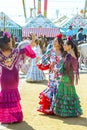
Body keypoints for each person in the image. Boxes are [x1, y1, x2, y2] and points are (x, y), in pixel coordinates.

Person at [0, 31, 36, 124]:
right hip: (14, 77)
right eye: (11, 41)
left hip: (4, 77)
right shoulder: (15, 52)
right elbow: (29, 48)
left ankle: (6, 117)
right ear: (8, 42)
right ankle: (15, 117)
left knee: (5, 95)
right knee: (13, 95)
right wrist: (33, 39)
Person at [54, 36, 82, 117]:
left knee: (67, 93)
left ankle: (68, 112)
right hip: (65, 76)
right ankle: (68, 111)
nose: (64, 46)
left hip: (68, 77)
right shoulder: (68, 54)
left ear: (70, 46)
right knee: (66, 92)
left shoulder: (71, 55)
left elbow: (75, 67)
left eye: (65, 45)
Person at [37, 34, 64, 114]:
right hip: (52, 74)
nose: (55, 43)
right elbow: (44, 59)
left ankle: (59, 108)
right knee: (52, 88)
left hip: (61, 74)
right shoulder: (51, 51)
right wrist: (48, 64)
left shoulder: (64, 52)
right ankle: (51, 108)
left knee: (59, 88)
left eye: (56, 41)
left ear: (60, 43)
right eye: (54, 41)